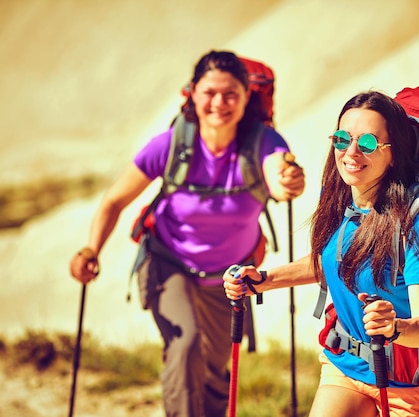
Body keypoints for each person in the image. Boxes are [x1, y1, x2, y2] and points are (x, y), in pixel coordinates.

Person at [69, 50, 305, 416]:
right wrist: (90, 249)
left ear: (246, 97)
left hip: (229, 277)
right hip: (168, 263)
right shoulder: (171, 145)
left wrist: (288, 181)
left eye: (231, 94)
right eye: (210, 92)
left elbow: (278, 176)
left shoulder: (264, 142)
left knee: (214, 370)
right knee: (185, 346)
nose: (219, 103)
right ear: (193, 93)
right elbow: (114, 200)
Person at [223, 90, 419, 416]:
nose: (350, 153)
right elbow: (331, 260)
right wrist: (261, 280)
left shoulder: (416, 223)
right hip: (345, 368)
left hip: (412, 385)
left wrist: (394, 327)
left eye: (367, 144)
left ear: (393, 154)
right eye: (342, 139)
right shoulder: (340, 199)